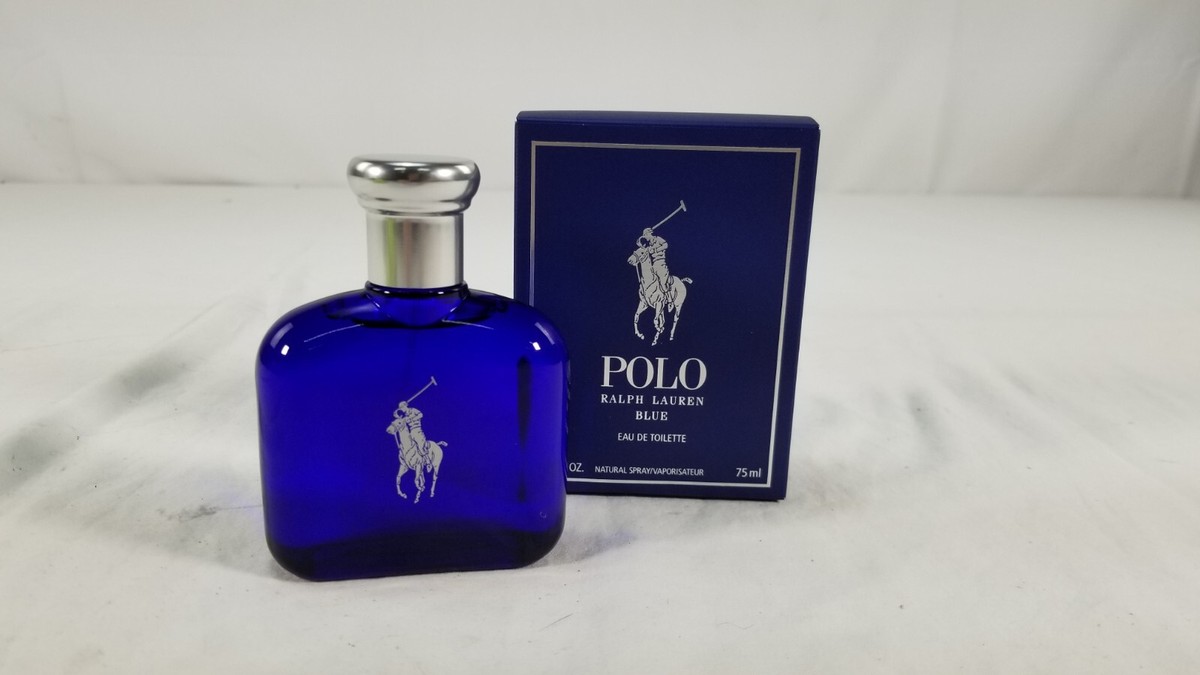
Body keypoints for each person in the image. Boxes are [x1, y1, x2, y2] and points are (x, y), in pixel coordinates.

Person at [640, 227, 673, 301]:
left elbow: (665, 245)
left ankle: (669, 298)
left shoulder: (658, 239)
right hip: (654, 264)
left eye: (645, 235)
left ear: (649, 234)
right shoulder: (649, 245)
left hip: (661, 263)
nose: (645, 237)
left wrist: (656, 250)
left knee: (663, 282)